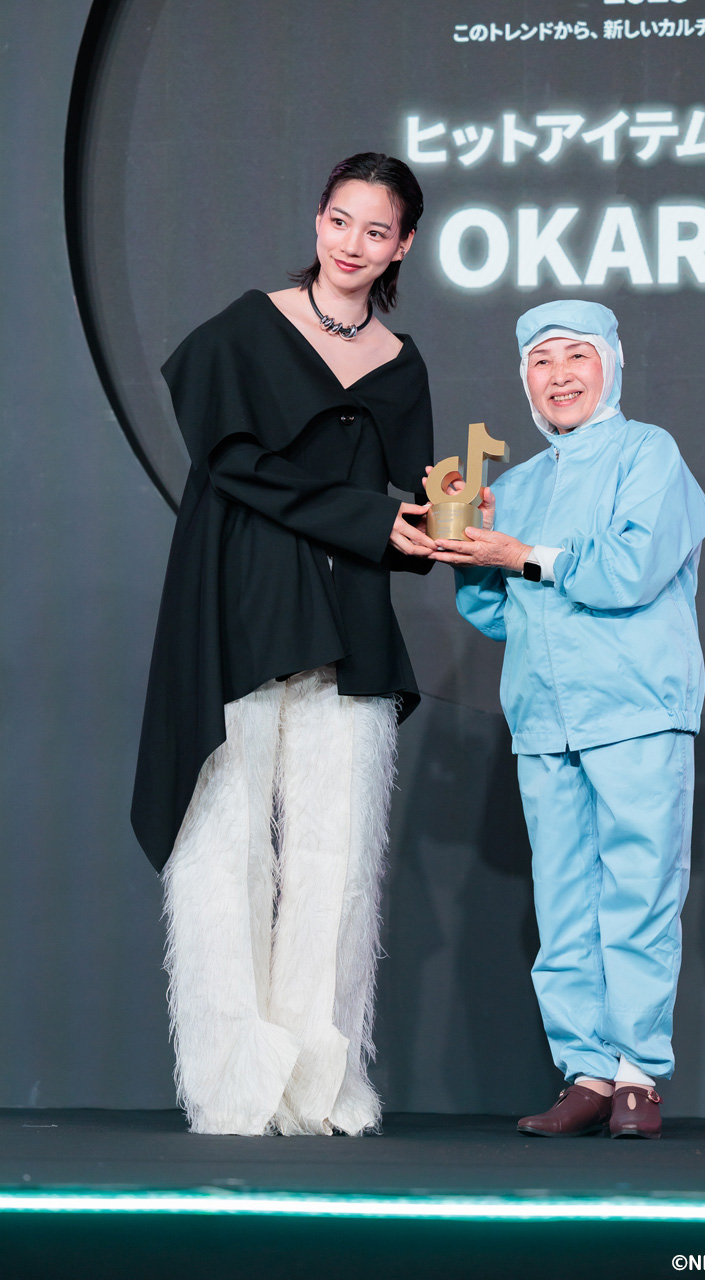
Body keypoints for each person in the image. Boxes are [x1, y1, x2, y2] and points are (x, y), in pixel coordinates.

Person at [131, 153, 436, 1137]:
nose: (352, 244)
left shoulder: (400, 362)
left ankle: (321, 1082)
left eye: (375, 230)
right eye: (339, 220)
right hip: (242, 599)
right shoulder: (245, 329)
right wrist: (374, 519)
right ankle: (233, 1082)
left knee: (336, 854)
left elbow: (414, 501)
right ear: (316, 220)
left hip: (349, 617)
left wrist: (439, 523)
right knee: (224, 845)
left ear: (403, 246)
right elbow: (235, 467)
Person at [430, 300, 705, 1139]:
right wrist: (466, 547)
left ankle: (636, 1077)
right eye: (541, 361)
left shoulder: (648, 453)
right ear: (523, 379)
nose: (558, 375)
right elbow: (497, 614)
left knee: (638, 891)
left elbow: (629, 570)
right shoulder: (515, 486)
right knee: (563, 902)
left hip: (635, 708)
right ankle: (585, 1072)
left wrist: (518, 553)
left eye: (575, 356)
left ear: (610, 364)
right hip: (545, 719)